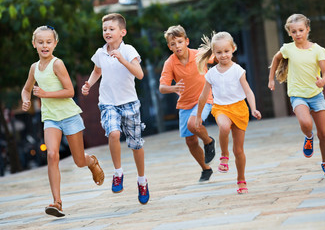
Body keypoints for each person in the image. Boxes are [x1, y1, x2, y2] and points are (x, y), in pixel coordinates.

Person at [21, 26, 105, 217]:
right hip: (50, 118)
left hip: (69, 116)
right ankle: (57, 202)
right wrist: (26, 99)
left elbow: (70, 91)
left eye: (48, 42)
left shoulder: (57, 64)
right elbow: (26, 89)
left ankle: (91, 162)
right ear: (34, 44)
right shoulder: (34, 68)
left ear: (55, 44)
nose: (45, 45)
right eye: (40, 42)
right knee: (52, 155)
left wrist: (44, 94)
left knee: (79, 160)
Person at [81, 13, 150, 204]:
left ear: (122, 32)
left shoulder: (128, 50)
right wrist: (89, 84)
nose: (107, 32)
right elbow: (97, 71)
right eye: (104, 29)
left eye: (111, 29)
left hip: (129, 103)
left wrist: (122, 60)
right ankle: (118, 172)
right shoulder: (100, 52)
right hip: (108, 102)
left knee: (136, 145)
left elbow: (140, 74)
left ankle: (142, 180)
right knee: (113, 134)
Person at [268, 13, 325, 176]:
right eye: (294, 31)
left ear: (307, 30)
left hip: (316, 95)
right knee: (306, 123)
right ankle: (308, 137)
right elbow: (276, 60)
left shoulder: (318, 50)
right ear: (289, 33)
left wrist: (323, 81)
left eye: (300, 30)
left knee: (324, 133)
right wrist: (271, 79)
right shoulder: (287, 49)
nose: (297, 34)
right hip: (297, 95)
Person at [195, 31, 262, 194]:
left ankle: (241, 180)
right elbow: (203, 96)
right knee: (224, 127)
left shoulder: (238, 70)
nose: (223, 55)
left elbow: (248, 92)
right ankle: (224, 155)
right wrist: (198, 116)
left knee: (238, 151)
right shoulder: (211, 74)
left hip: (239, 109)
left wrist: (253, 108)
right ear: (214, 54)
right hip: (221, 108)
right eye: (219, 52)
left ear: (233, 49)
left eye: (226, 51)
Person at [159, 25, 216, 183]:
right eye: (173, 44)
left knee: (193, 124)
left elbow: (217, 56)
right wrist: (173, 88)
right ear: (169, 46)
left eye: (179, 42)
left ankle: (209, 142)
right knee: (190, 141)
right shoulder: (170, 63)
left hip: (204, 99)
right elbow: (162, 87)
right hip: (185, 104)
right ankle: (206, 168)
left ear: (186, 41)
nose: (177, 46)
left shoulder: (199, 55)